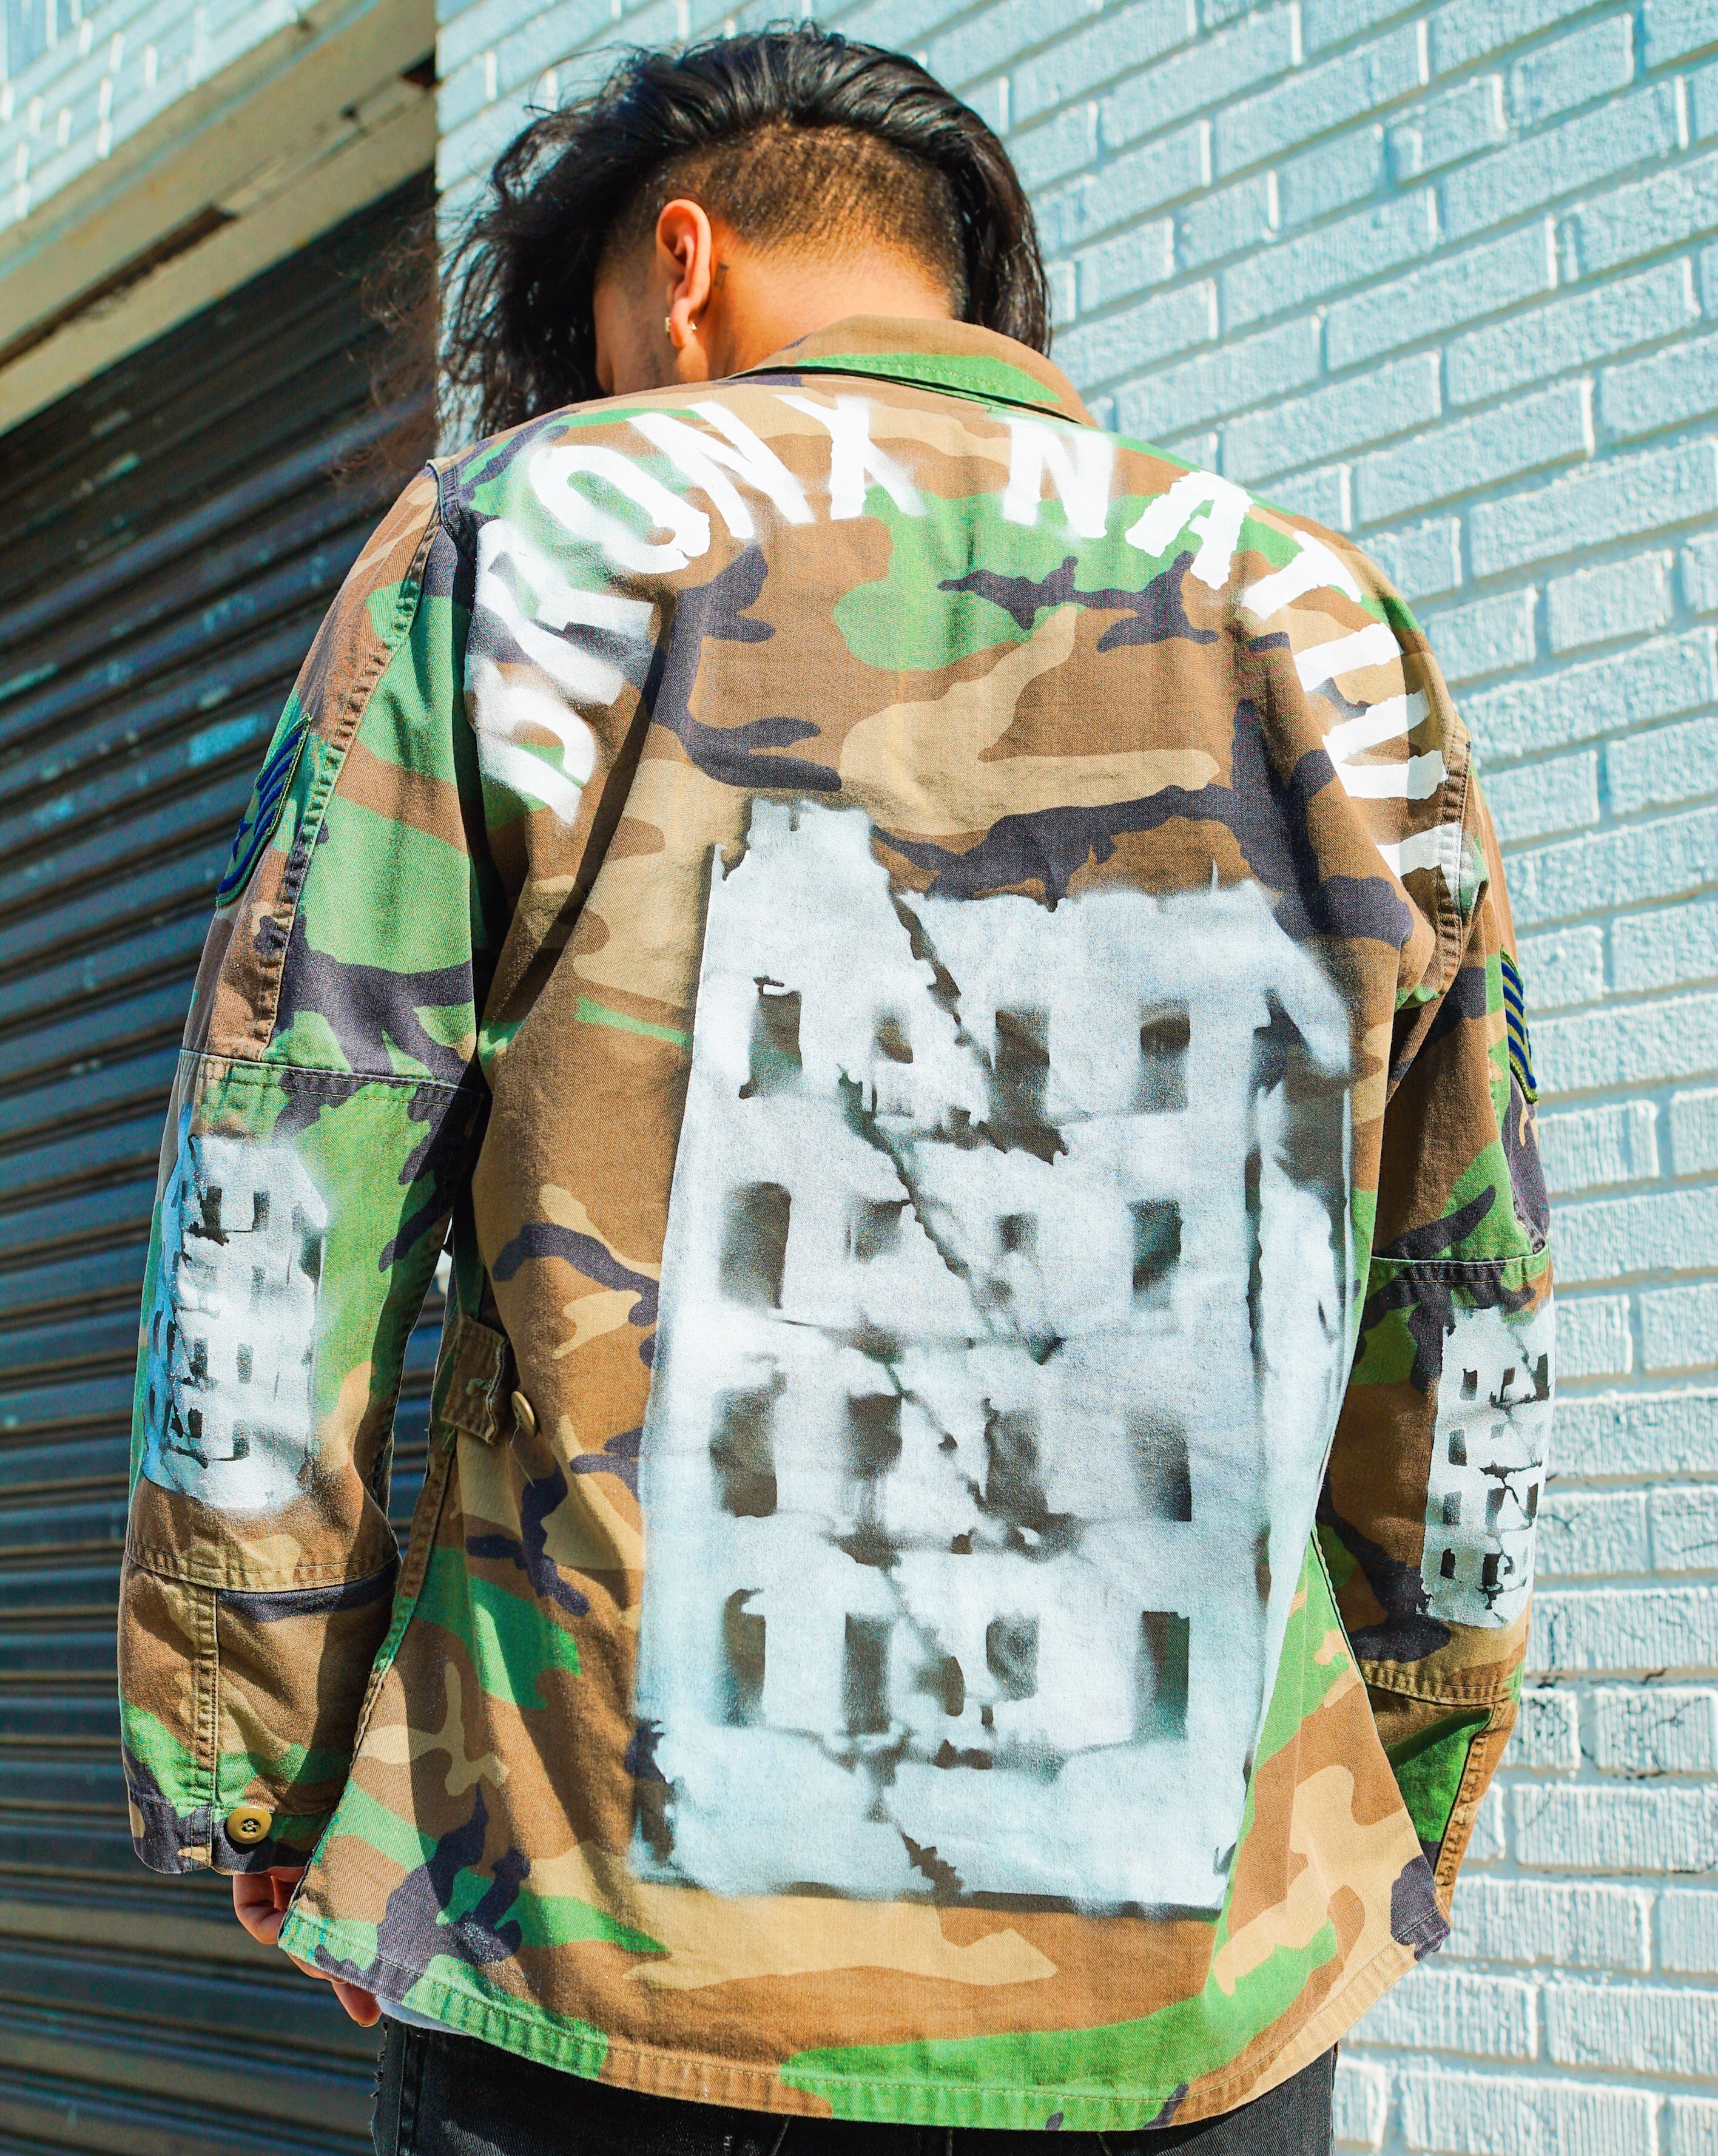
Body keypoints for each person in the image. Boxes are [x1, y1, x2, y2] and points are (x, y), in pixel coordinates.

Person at [118, 25, 1554, 2156]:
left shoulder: (526, 540)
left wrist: (259, 1770)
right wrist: (1403, 1777)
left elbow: (286, 1164)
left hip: (605, 1966)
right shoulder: (1327, 617)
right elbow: (1468, 1278)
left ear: (681, 267)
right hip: (1199, 1988)